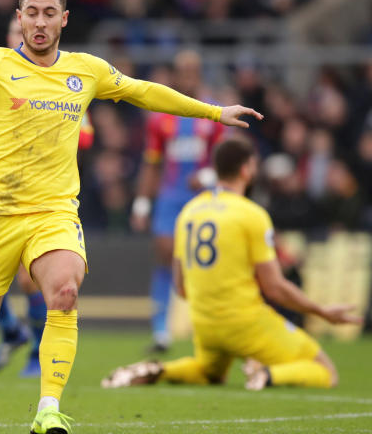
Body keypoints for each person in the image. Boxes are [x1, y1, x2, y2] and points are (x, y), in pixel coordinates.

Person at [0, 0, 261, 434]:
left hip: (54, 213)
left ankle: (48, 409)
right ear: (19, 18)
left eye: (48, 13)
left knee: (64, 293)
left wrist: (215, 112)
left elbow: (143, 92)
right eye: (31, 13)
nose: (39, 22)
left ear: (64, 19)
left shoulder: (86, 70)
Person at [102, 137, 360, 390]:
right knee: (326, 370)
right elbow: (274, 288)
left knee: (209, 372)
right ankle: (267, 374)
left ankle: (159, 370)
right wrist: (322, 311)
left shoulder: (189, 212)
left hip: (205, 326)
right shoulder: (252, 214)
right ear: (247, 169)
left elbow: (180, 287)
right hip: (246, 323)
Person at [0, 16, 96, 378]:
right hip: (0, 200)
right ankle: (10, 332)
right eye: (18, 32)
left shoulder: (65, 83)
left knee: (33, 281)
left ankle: (33, 349)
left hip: (47, 200)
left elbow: (87, 136)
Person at [130, 50, 225, 354]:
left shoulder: (214, 113)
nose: (188, 77)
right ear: (175, 75)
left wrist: (209, 175)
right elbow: (151, 162)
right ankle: (161, 330)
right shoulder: (161, 119)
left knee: (207, 262)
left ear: (199, 74)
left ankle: (211, 329)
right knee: (164, 255)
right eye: (182, 71)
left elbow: (227, 159)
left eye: (192, 71)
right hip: (170, 196)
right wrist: (142, 204)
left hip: (204, 197)